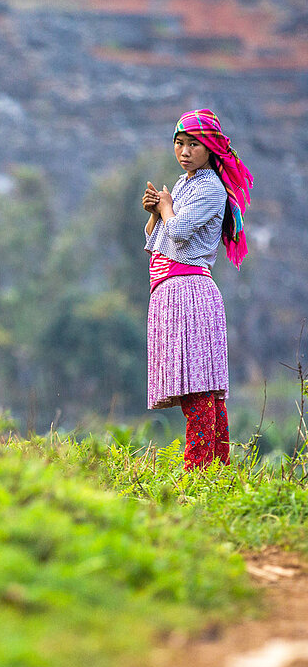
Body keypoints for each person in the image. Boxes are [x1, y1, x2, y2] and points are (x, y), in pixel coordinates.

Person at [142, 109, 253, 470]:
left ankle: (199, 470)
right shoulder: (183, 183)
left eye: (194, 144)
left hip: (189, 291)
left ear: (211, 149)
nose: (185, 151)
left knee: (198, 389)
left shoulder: (209, 188)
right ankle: (215, 471)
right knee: (198, 387)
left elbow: (179, 233)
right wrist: (155, 212)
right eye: (179, 143)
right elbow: (157, 238)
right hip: (171, 290)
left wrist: (167, 208)